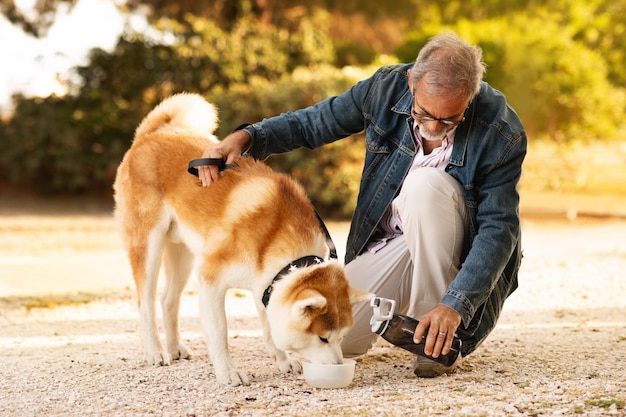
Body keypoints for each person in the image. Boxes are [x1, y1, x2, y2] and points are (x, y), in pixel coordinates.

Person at [198, 31, 526, 377]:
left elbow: (497, 231)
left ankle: (433, 338)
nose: (433, 127)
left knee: (423, 186)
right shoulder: (385, 88)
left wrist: (455, 305)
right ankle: (415, 320)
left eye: (449, 120)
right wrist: (248, 137)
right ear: (412, 82)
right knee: (337, 335)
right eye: (424, 113)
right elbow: (314, 123)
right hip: (396, 244)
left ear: (470, 98)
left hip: (454, 256)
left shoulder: (501, 132)